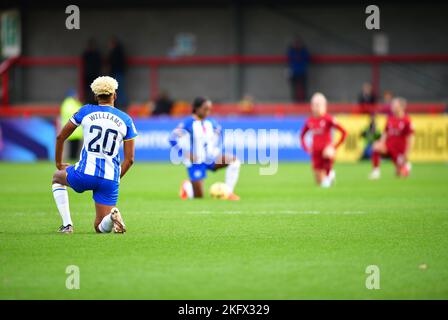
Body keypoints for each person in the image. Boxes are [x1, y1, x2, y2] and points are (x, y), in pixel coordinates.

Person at [51, 76, 138, 234]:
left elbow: (60, 137)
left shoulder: (86, 111)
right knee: (99, 227)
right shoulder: (126, 120)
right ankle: (111, 218)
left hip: (84, 173)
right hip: (109, 179)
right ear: (115, 95)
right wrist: (115, 179)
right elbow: (130, 159)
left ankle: (67, 225)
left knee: (57, 177)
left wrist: (59, 163)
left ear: (96, 96)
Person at [169, 97, 241, 200]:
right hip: (196, 162)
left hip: (211, 158)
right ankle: (187, 186)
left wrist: (217, 148)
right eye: (205, 109)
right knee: (198, 196)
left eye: (209, 109)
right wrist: (186, 154)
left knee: (234, 161)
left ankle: (228, 192)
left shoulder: (211, 122)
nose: (208, 112)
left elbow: (220, 133)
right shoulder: (188, 122)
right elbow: (172, 138)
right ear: (196, 108)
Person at [300, 92, 347, 188]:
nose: (316, 107)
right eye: (314, 104)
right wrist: (306, 148)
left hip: (326, 150)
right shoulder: (310, 121)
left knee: (328, 153)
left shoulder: (328, 119)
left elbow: (343, 132)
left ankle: (329, 173)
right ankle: (329, 175)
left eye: (318, 104)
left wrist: (335, 146)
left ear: (324, 105)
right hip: (316, 153)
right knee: (319, 183)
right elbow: (302, 136)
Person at [369, 97, 414, 179]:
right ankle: (376, 171)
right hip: (388, 147)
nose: (392, 107)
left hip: (399, 151)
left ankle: (405, 166)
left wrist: (407, 153)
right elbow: (385, 133)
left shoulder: (407, 120)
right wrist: (381, 142)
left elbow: (410, 138)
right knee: (376, 146)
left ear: (401, 107)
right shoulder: (390, 118)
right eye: (392, 105)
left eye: (395, 105)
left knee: (400, 175)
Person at [60, 89, 83, 160]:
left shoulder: (73, 103)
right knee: (72, 151)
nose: (77, 96)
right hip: (72, 130)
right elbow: (76, 113)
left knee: (74, 150)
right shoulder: (69, 103)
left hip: (75, 131)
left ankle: (71, 161)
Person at [107, 37, 127, 111]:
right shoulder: (117, 52)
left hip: (117, 73)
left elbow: (114, 63)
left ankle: (121, 106)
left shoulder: (116, 52)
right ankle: (120, 105)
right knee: (117, 90)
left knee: (119, 90)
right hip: (117, 73)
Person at [287, 37, 310, 102]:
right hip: (294, 73)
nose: (297, 44)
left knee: (303, 87)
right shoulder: (291, 51)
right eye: (295, 43)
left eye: (298, 43)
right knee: (294, 88)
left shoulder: (304, 51)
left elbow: (307, 59)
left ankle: (304, 101)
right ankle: (295, 101)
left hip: (302, 72)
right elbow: (289, 60)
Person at [81, 39, 102, 104]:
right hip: (88, 76)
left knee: (94, 90)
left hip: (94, 76)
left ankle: (93, 102)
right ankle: (89, 101)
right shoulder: (87, 54)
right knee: (88, 90)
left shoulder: (96, 54)